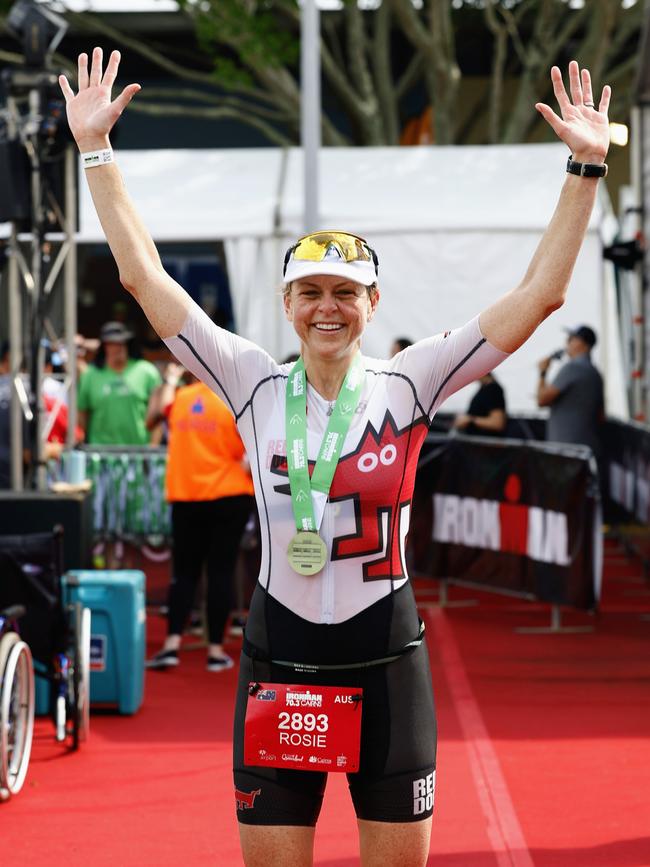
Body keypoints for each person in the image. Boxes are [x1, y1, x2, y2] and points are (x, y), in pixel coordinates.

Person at [59, 49, 610, 867]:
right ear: (287, 304)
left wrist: (586, 166)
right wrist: (96, 152)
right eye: (311, 291)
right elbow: (143, 278)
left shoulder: (413, 376)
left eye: (345, 292)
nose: (328, 307)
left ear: (372, 304)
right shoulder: (248, 378)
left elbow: (540, 298)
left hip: (386, 660)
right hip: (279, 656)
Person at [146, 365, 255, 672]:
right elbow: (251, 448)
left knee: (184, 573)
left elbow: (153, 417)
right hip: (229, 495)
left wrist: (168, 379)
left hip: (187, 496)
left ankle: (171, 645)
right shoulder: (233, 401)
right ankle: (216, 651)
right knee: (220, 572)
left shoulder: (180, 398)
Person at [77, 320, 161, 444]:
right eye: (113, 343)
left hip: (139, 452)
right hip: (100, 453)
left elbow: (157, 416)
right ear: (104, 346)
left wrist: (153, 449)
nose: (118, 347)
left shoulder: (147, 372)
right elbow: (82, 415)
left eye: (122, 342)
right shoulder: (90, 375)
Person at [537, 324, 604, 455]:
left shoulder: (573, 368)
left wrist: (543, 373)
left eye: (571, 338)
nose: (567, 342)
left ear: (582, 343)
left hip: (565, 451)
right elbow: (601, 415)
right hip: (585, 448)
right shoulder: (595, 373)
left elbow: (542, 400)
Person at [452, 372, 507, 436]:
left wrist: (469, 420)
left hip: (483, 440)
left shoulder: (493, 390)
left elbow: (497, 423)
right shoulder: (483, 388)